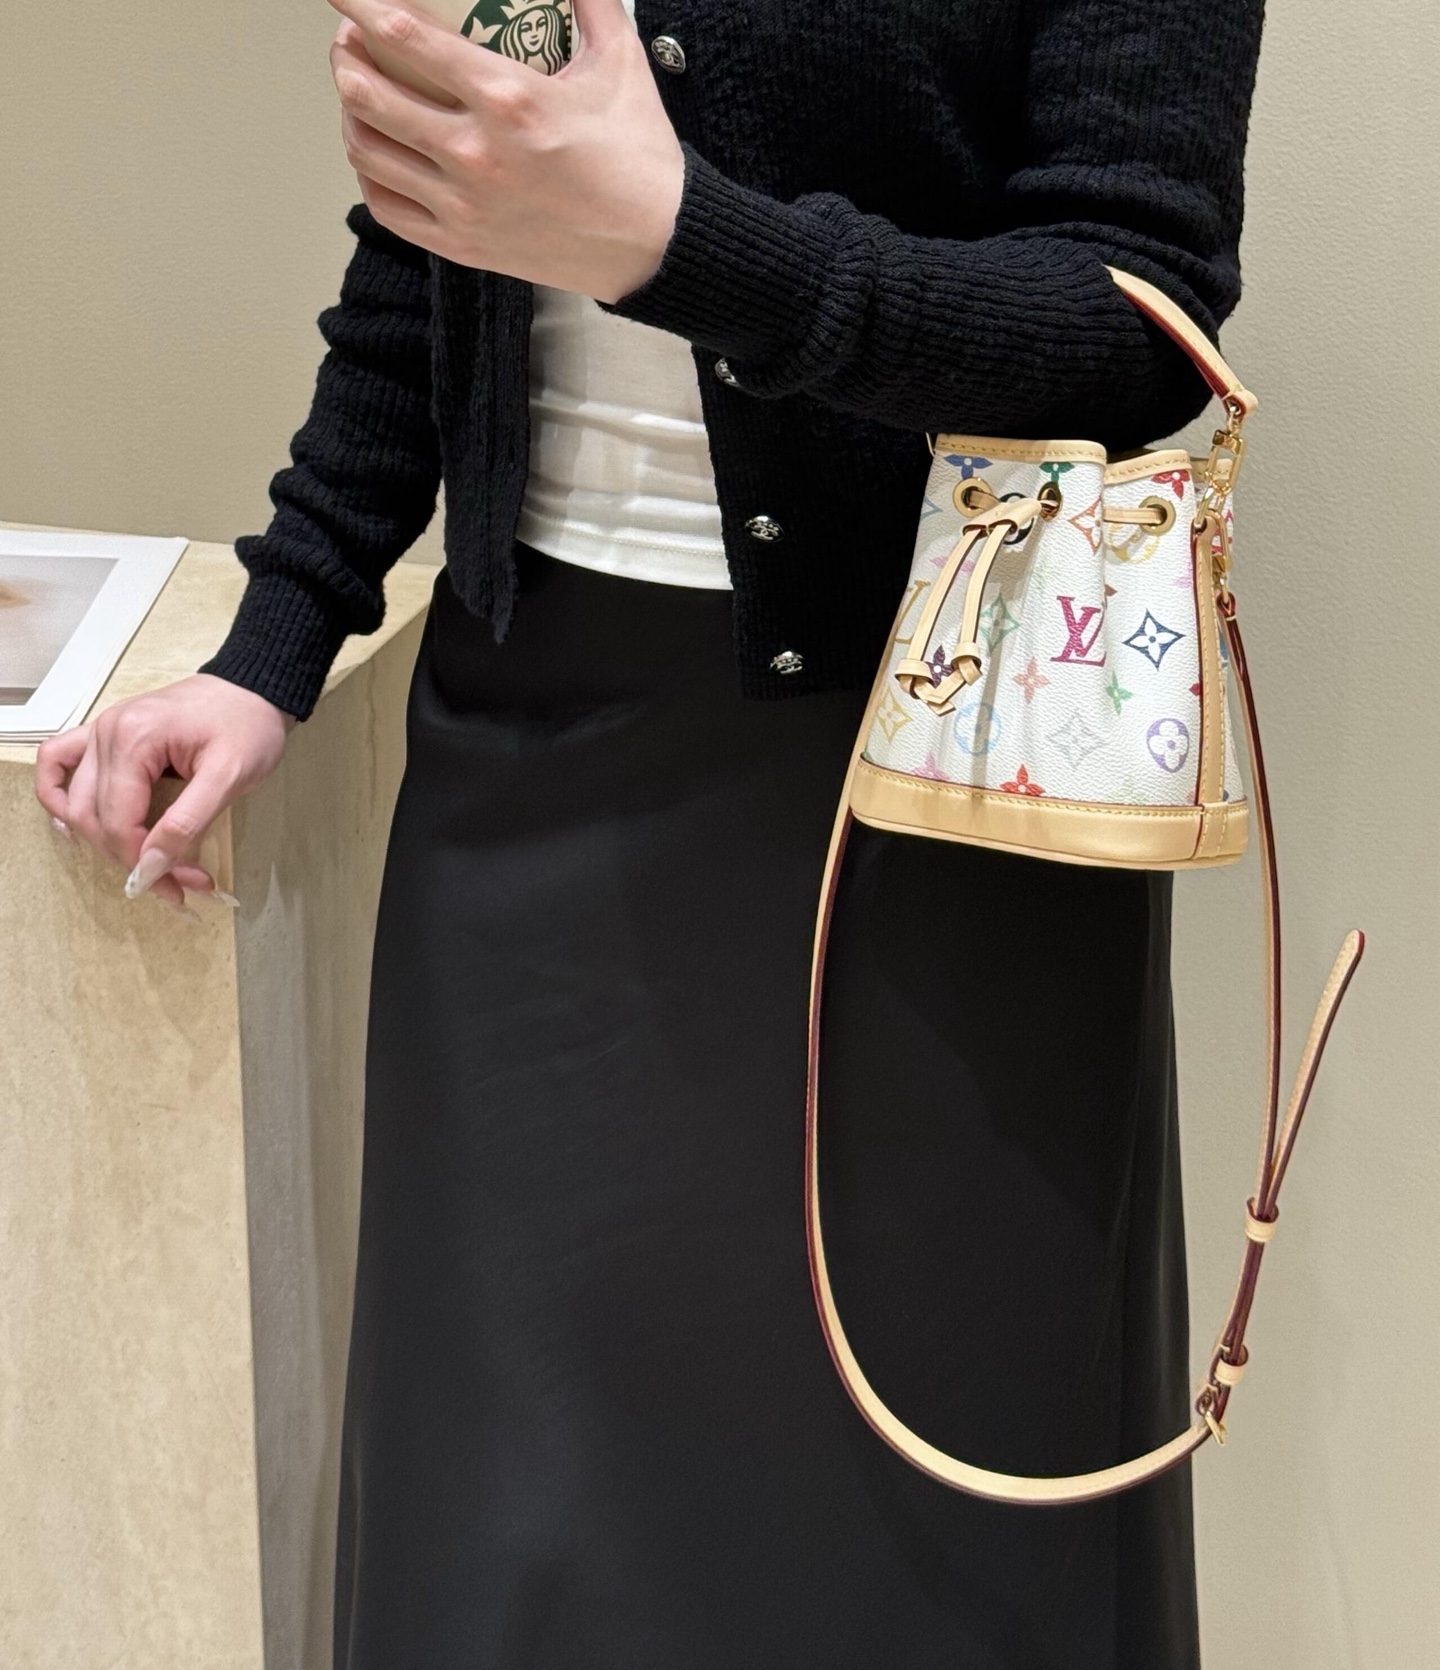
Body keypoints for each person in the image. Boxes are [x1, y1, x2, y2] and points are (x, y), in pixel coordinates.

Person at [34, 0, 1266, 1663]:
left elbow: (1137, 313)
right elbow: (431, 238)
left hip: (953, 780)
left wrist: (684, 243)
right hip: (526, 752)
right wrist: (278, 637)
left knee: (924, 1531)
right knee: (513, 1510)